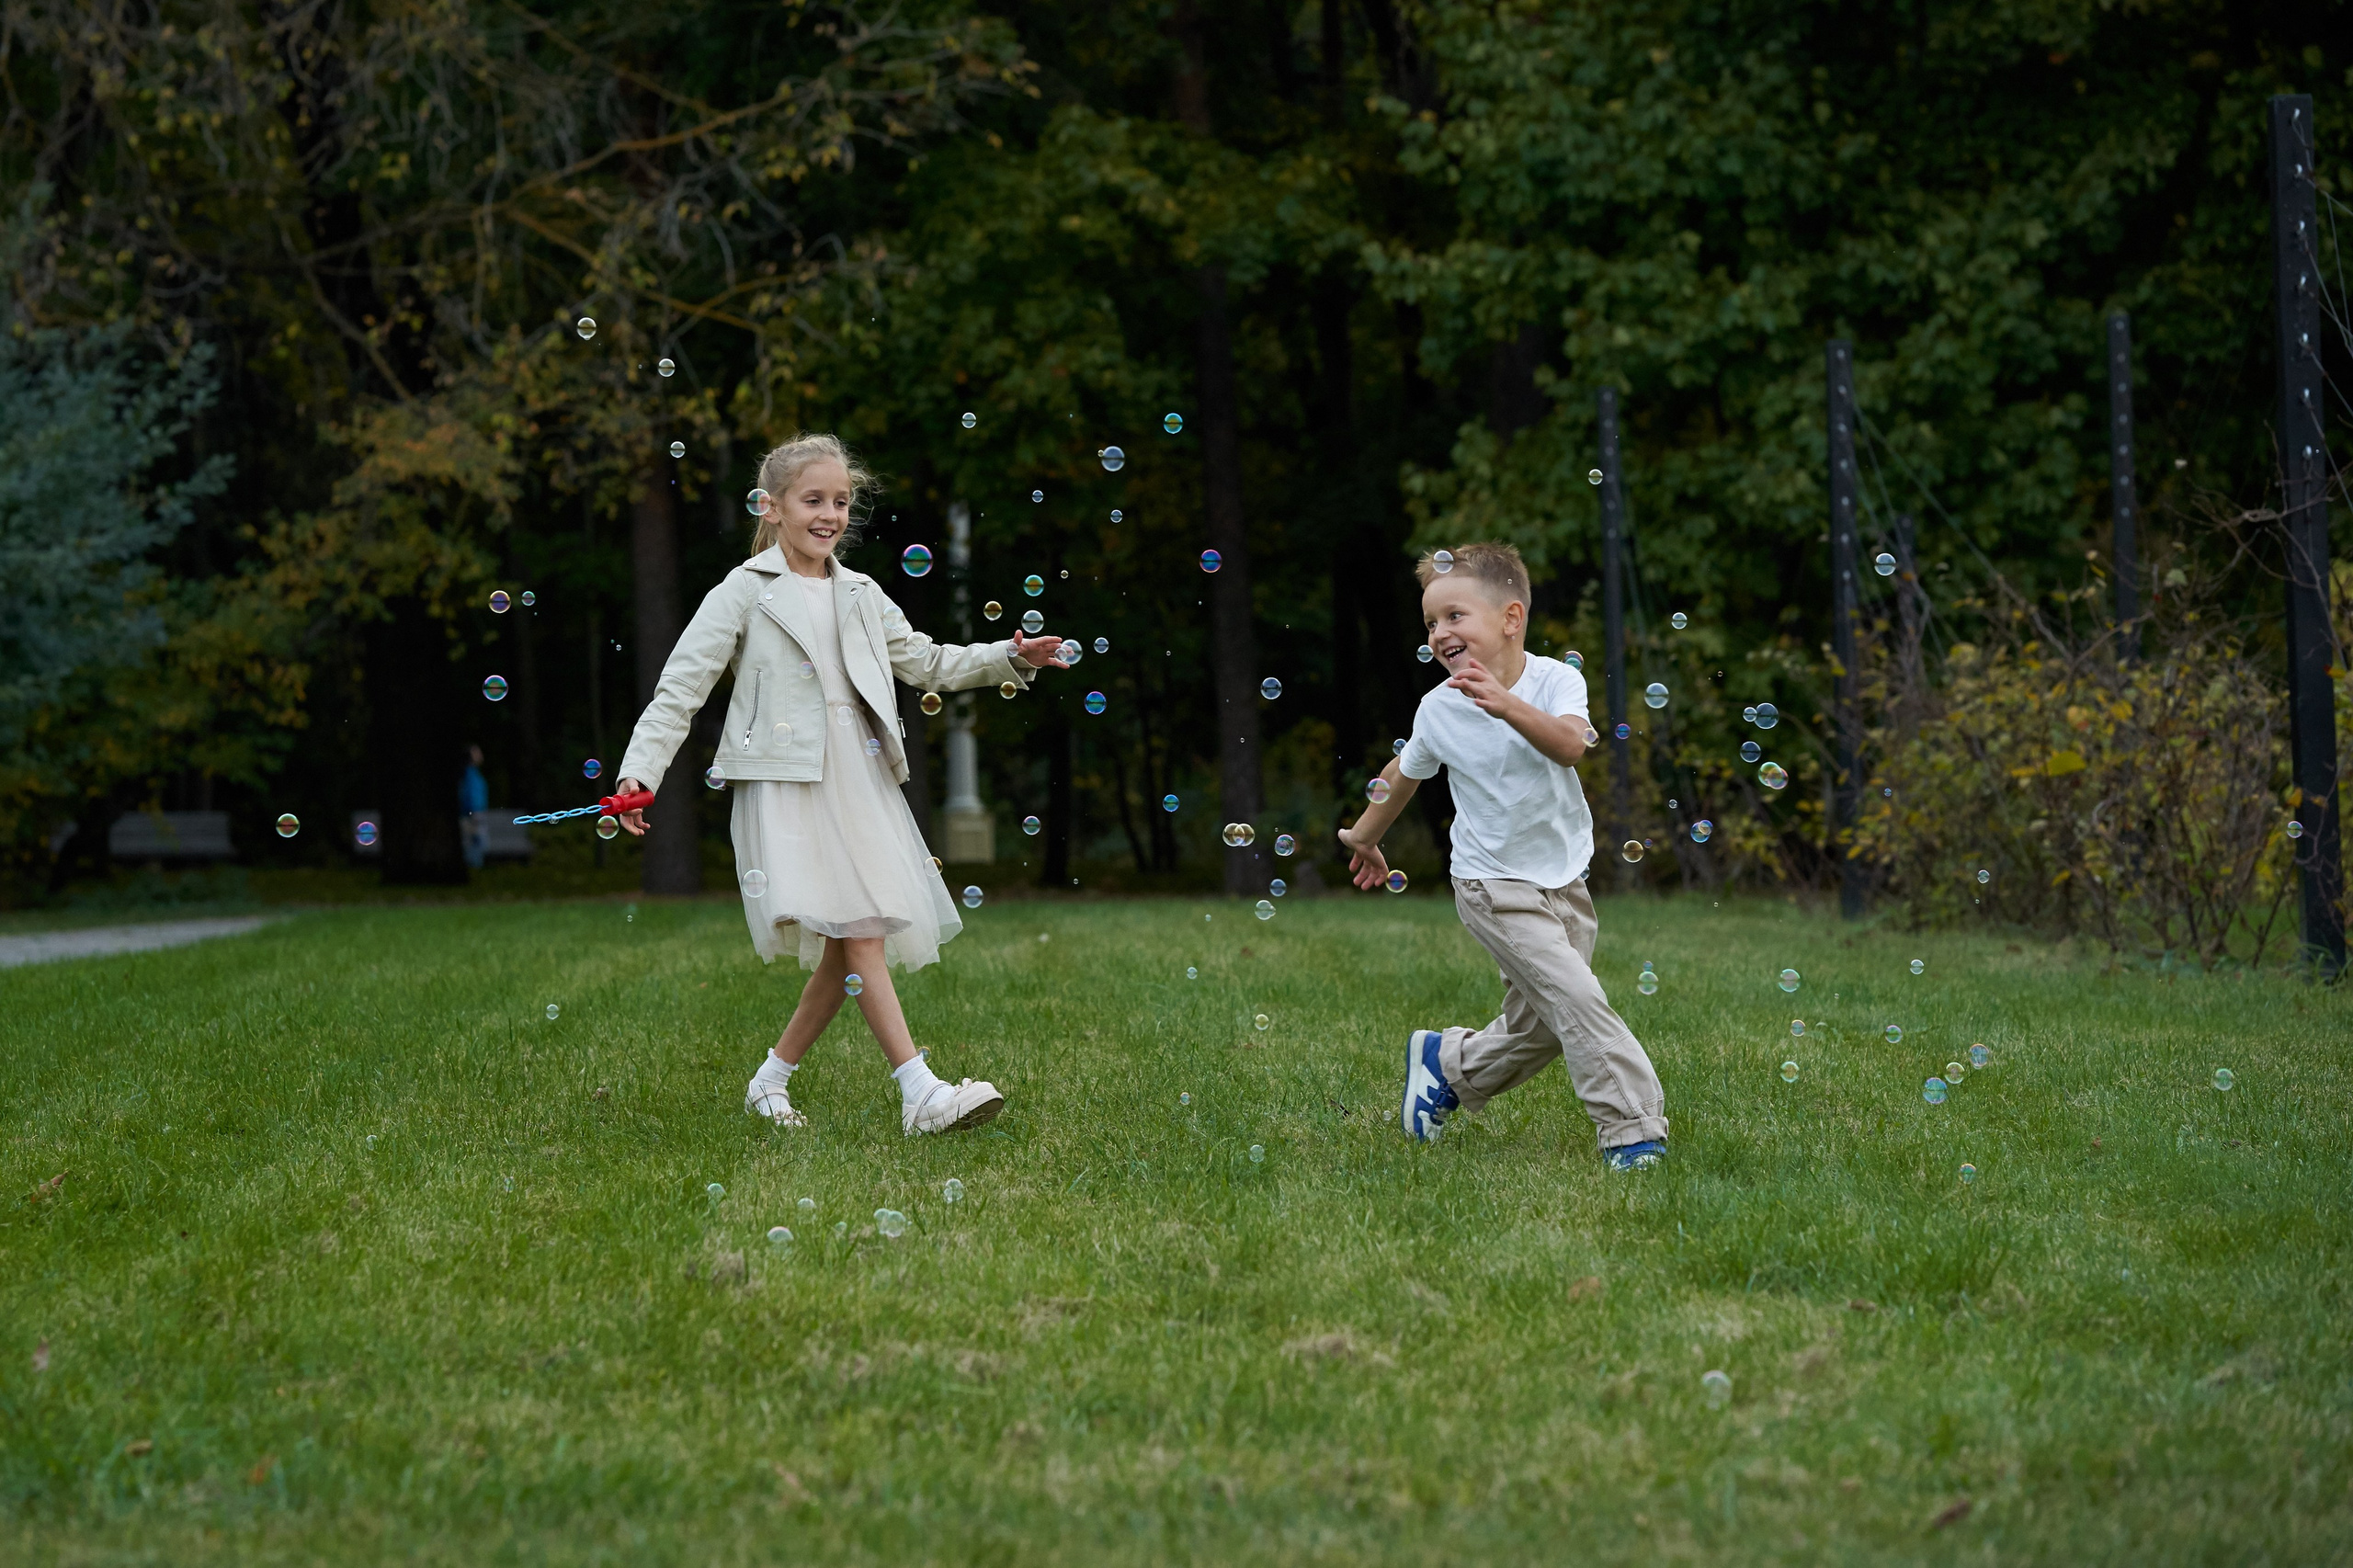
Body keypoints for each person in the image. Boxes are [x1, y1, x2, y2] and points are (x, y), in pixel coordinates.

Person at [611, 434, 1065, 1135]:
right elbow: (681, 688)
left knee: (853, 941)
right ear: (774, 506)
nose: (829, 515)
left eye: (841, 502)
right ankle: (919, 1091)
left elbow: (931, 662)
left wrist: (1009, 656)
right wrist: (639, 772)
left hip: (858, 776)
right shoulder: (744, 591)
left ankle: (770, 1081)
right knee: (858, 930)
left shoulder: (860, 592)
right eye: (813, 500)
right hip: (788, 782)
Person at [1336, 543, 1670, 1170]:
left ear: (1510, 618)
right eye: (1431, 622)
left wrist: (1506, 704)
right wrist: (1363, 835)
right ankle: (1633, 1129)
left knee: (1542, 1026)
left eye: (1455, 616)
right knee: (1577, 999)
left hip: (1564, 879)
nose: (1440, 633)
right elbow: (1402, 775)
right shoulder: (1439, 708)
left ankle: (1447, 1066)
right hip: (1492, 884)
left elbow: (1571, 745)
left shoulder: (1554, 681)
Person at [459, 744, 490, 869]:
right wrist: (474, 811)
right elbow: (470, 795)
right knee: (474, 841)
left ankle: (475, 867)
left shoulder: (472, 773)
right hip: (473, 814)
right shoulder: (469, 774)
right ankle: (474, 867)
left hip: (475, 813)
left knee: (475, 841)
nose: (480, 755)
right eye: (477, 753)